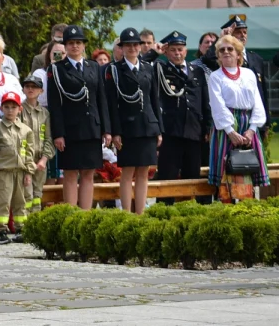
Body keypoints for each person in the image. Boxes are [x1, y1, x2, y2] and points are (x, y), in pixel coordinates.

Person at [47, 25, 111, 211]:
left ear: (84, 46)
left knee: (88, 173)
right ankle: (72, 214)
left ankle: (85, 213)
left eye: (78, 43)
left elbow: (101, 99)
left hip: (91, 127)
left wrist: (106, 129)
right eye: (71, 43)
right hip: (70, 129)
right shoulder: (57, 69)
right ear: (65, 46)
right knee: (70, 173)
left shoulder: (93, 66)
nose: (75, 46)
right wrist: (58, 133)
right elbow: (55, 104)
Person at [104, 28, 162, 214]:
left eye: (135, 44)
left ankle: (140, 213)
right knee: (127, 172)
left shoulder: (147, 68)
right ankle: (127, 213)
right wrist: (115, 131)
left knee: (144, 172)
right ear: (121, 48)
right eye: (128, 45)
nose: (132, 48)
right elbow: (112, 104)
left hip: (147, 125)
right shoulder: (114, 70)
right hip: (127, 127)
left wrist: (158, 128)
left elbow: (155, 99)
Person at [207, 34, 270, 190]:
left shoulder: (249, 74)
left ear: (238, 53)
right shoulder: (215, 76)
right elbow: (217, 105)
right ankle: (225, 206)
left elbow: (257, 102)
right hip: (226, 126)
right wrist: (230, 131)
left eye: (230, 49)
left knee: (248, 167)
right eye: (222, 50)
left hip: (248, 123)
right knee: (226, 174)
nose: (226, 52)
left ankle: (246, 207)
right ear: (218, 56)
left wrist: (252, 130)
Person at [155, 31, 211, 188]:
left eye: (180, 49)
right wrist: (155, 53)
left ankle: (188, 211)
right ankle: (164, 211)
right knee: (167, 178)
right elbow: (142, 64)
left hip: (193, 131)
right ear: (166, 52)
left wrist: (207, 126)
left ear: (186, 51)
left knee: (192, 178)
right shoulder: (161, 69)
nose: (177, 53)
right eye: (173, 50)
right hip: (171, 131)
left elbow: (204, 100)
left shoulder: (197, 71)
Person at [0, 91, 35, 244]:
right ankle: (0, 231)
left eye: (13, 107)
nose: (10, 110)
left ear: (20, 109)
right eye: (7, 107)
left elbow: (29, 153)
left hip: (20, 171)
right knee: (3, 201)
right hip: (4, 172)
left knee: (21, 201)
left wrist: (29, 172)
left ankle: (21, 229)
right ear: (1, 108)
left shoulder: (26, 130)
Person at [18, 71, 53, 213]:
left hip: (40, 160)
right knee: (26, 193)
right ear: (23, 89)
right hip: (23, 160)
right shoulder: (18, 110)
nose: (30, 89)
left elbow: (49, 138)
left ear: (41, 90)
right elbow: (15, 137)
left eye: (34, 86)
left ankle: (35, 220)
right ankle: (25, 225)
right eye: (27, 86)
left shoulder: (45, 113)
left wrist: (44, 159)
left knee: (38, 194)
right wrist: (25, 161)